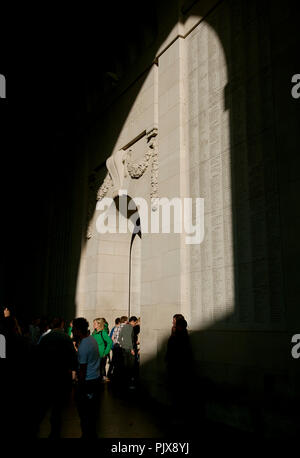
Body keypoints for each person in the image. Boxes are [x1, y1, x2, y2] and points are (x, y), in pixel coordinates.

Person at [34, 317, 78, 438]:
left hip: (47, 376)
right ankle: (55, 432)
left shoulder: (45, 337)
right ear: (62, 325)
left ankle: (35, 425)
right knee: (57, 407)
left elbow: (37, 354)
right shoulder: (65, 338)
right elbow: (73, 357)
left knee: (43, 404)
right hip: (61, 376)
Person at [72, 317, 101, 439]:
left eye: (73, 329)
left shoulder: (83, 346)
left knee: (84, 414)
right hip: (96, 379)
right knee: (92, 413)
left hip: (87, 382)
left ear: (78, 330)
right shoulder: (92, 340)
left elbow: (82, 370)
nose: (72, 331)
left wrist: (80, 387)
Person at [119, 316, 138, 389]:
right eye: (135, 323)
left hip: (124, 348)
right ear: (132, 321)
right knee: (131, 367)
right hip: (129, 349)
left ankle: (124, 383)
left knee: (125, 366)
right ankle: (130, 384)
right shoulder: (130, 328)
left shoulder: (124, 327)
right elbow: (130, 339)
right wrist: (132, 349)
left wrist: (123, 344)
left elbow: (119, 338)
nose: (135, 324)